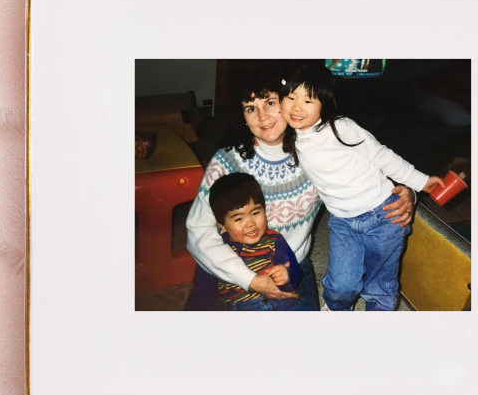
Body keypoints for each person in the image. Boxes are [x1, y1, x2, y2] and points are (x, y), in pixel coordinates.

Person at [185, 66, 416, 310]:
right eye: (251, 108)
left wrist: (409, 191)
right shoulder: (227, 161)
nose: (262, 117)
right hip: (232, 267)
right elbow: (198, 229)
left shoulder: (319, 153)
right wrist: (248, 279)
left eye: (270, 103)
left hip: (290, 264)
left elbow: (373, 169)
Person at [281, 64, 444, 311]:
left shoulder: (340, 127)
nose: (297, 107)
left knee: (381, 283)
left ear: (325, 105)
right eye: (291, 97)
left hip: (384, 215)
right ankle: (337, 309)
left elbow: (381, 155)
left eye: (308, 100)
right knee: (341, 285)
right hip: (342, 222)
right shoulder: (291, 137)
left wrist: (420, 181)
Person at [208, 172, 303, 311]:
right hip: (239, 307)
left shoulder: (274, 239)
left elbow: (294, 271)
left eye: (255, 213)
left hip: (278, 302)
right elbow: (203, 288)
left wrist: (288, 276)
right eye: (239, 219)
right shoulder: (216, 247)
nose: (250, 223)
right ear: (223, 225)